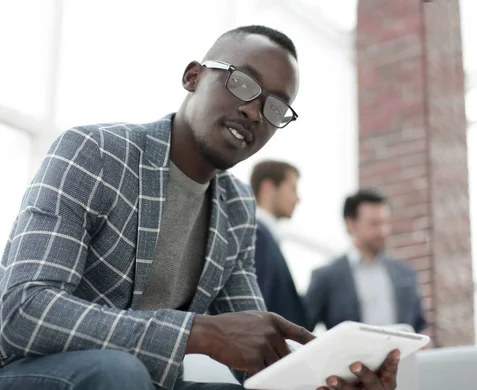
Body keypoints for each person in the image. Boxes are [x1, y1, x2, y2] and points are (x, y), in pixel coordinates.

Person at [0, 25, 402, 390]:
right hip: (28, 371)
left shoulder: (237, 209)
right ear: (193, 77)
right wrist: (200, 333)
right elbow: (22, 311)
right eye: (242, 83)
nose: (253, 111)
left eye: (275, 108)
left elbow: (261, 360)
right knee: (118, 372)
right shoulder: (95, 154)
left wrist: (333, 380)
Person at [305, 189, 428, 336]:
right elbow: (303, 330)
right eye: (374, 224)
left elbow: (421, 326)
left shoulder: (405, 272)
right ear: (350, 225)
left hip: (403, 358)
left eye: (385, 223)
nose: (382, 231)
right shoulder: (327, 277)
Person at [250, 160, 307, 328]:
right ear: (268, 188)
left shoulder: (267, 237)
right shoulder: (257, 236)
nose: (298, 199)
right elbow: (258, 311)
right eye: (292, 189)